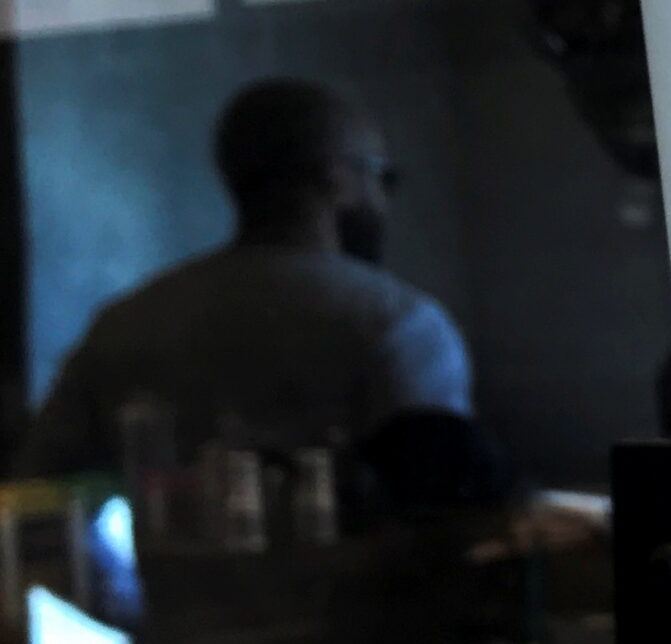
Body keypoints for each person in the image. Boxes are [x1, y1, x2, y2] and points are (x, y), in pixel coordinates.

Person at [17, 79, 471, 477]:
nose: (383, 200)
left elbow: (38, 494)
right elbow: (446, 506)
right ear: (336, 178)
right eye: (380, 176)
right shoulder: (398, 325)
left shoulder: (123, 325)